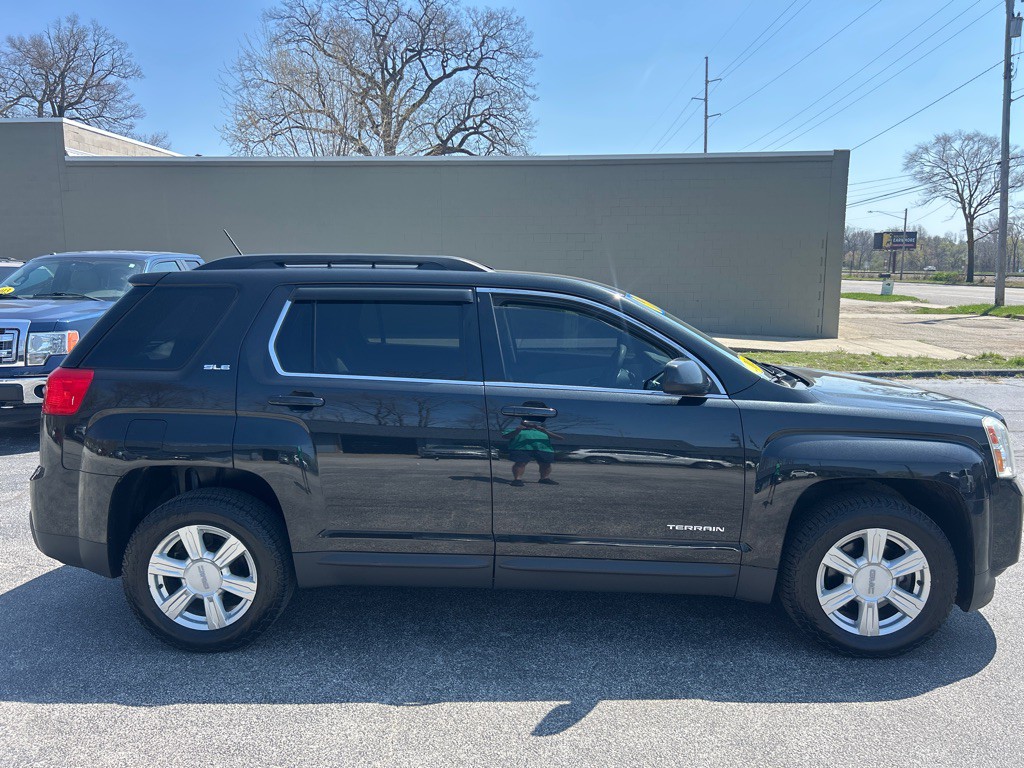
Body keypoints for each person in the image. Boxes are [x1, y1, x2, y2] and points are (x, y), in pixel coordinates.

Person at [503, 418, 563, 486]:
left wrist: (545, 431)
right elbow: (505, 436)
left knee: (546, 464)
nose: (530, 423)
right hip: (522, 449)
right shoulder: (515, 430)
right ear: (522, 423)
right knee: (520, 463)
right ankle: (517, 479)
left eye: (532, 422)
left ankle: (544, 478)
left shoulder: (542, 431)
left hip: (544, 449)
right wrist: (518, 430)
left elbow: (560, 438)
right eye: (527, 422)